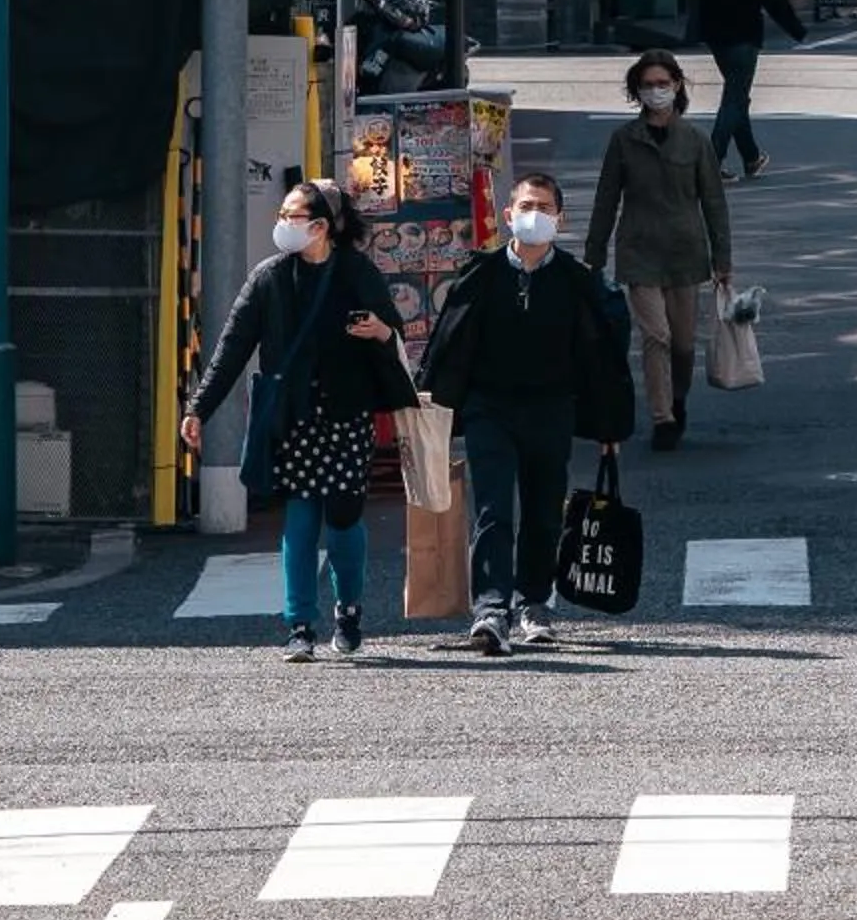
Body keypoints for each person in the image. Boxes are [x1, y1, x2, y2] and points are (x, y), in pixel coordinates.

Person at [182, 175, 414, 664]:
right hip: (294, 415)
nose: (284, 224)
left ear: (322, 226)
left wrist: (378, 332)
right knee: (302, 518)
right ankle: (300, 625)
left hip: (347, 413)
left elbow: (394, 333)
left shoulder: (356, 271)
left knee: (346, 517)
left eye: (293, 216)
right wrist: (199, 408)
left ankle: (349, 611)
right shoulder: (269, 277)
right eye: (283, 215)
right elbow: (232, 347)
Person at [422, 168, 629, 656]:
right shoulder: (483, 274)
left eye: (544, 208)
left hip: (551, 406)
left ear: (561, 218)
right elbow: (450, 345)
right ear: (508, 215)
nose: (534, 216)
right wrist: (433, 411)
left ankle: (534, 602)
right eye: (526, 207)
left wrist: (608, 424)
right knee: (492, 509)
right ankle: (491, 611)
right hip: (488, 407)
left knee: (542, 510)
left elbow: (602, 357)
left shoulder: (579, 282)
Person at [585, 51, 732, 453]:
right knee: (657, 336)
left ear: (677, 85)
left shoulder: (696, 140)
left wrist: (723, 260)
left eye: (662, 83)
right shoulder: (624, 140)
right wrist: (593, 255)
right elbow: (606, 199)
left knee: (684, 343)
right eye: (647, 85)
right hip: (639, 252)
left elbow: (714, 203)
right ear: (637, 91)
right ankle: (662, 416)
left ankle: (677, 397)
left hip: (686, 254)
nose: (655, 91)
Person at [693, 0, 804, 180]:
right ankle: (711, 162)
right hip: (744, 35)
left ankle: (751, 157)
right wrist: (796, 29)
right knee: (735, 98)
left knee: (737, 95)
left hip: (715, 35)